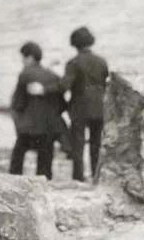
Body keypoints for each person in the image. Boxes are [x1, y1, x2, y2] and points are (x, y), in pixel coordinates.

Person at [9, 42, 67, 180]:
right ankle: (44, 188)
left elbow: (18, 103)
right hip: (48, 127)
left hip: (28, 128)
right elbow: (62, 105)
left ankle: (14, 185)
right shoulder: (53, 76)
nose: (22, 61)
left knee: (17, 159)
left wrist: (17, 119)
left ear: (29, 57)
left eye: (23, 58)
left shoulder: (25, 74)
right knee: (45, 165)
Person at [63, 26, 109, 181]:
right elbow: (106, 83)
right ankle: (96, 177)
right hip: (100, 107)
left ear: (74, 44)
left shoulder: (73, 63)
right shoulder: (102, 62)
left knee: (78, 145)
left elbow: (65, 86)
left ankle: (79, 178)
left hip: (80, 107)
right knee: (96, 144)